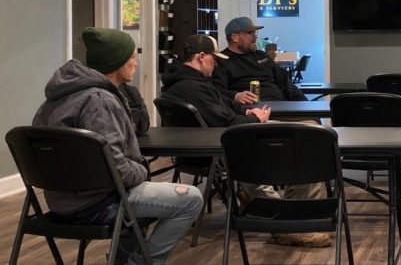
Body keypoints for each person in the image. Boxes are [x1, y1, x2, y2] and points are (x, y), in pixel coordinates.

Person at [33, 27, 203, 265]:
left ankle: (123, 259)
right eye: (132, 56)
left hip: (60, 201)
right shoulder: (100, 101)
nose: (135, 62)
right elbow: (115, 168)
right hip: (97, 204)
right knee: (191, 198)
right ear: (117, 62)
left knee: (138, 185)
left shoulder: (55, 100)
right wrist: (142, 171)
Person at [162, 34, 331, 248]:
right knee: (309, 140)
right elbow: (226, 121)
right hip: (237, 143)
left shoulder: (190, 83)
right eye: (214, 59)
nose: (216, 64)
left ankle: (297, 218)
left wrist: (249, 111)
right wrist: (253, 118)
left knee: (310, 129)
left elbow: (226, 107)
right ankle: (288, 224)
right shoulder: (192, 88)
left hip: (234, 137)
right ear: (201, 57)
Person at [212, 16, 307, 104]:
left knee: (313, 120)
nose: (255, 37)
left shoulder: (262, 56)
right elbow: (215, 90)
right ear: (234, 37)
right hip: (251, 111)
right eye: (249, 33)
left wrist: (306, 104)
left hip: (281, 106)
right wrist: (235, 96)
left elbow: (286, 83)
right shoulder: (222, 60)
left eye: (255, 32)